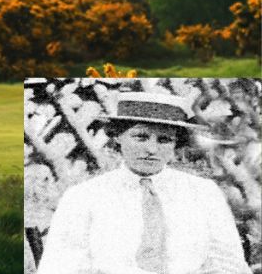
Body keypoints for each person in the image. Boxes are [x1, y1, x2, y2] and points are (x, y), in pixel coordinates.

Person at [36, 91, 251, 274]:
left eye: (164, 139)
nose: (152, 149)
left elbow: (228, 264)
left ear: (176, 143)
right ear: (118, 137)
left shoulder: (202, 192)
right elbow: (60, 266)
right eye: (140, 137)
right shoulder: (83, 197)